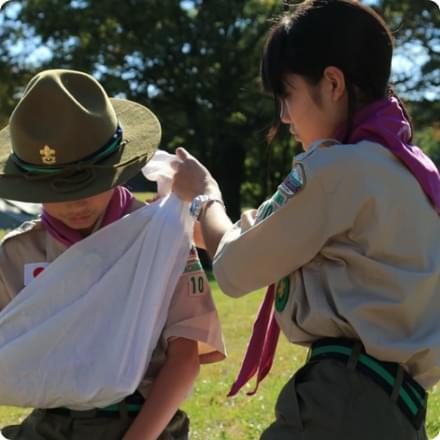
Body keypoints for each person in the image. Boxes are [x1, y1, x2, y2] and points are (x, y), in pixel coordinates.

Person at [172, 1, 440, 439]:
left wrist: (205, 197)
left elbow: (235, 268)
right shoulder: (410, 170)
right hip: (397, 407)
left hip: (343, 401)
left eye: (287, 94)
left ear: (332, 83)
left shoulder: (339, 169)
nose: (284, 115)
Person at [0, 69, 225, 440]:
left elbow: (183, 360)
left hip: (143, 422)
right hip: (50, 426)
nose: (74, 203)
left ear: (119, 168)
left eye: (88, 183)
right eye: (54, 189)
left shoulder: (159, 238)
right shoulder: (15, 254)